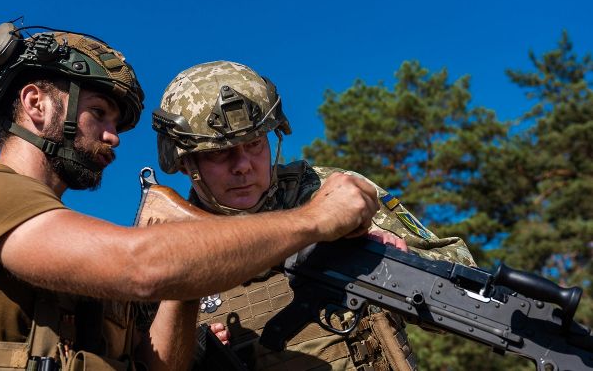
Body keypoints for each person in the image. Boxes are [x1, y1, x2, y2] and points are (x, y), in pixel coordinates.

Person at [0, 25, 380, 371]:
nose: (113, 136)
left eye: (116, 121)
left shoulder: (65, 242)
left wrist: (187, 283)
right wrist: (317, 219)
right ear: (35, 103)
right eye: (98, 112)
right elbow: (142, 266)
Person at [153, 61, 477, 370]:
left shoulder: (334, 195)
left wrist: (407, 269)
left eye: (254, 144)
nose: (243, 165)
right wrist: (190, 347)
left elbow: (469, 295)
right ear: (185, 163)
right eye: (220, 152)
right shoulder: (164, 250)